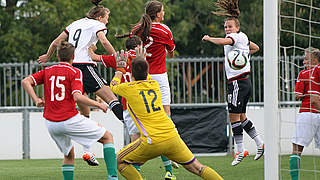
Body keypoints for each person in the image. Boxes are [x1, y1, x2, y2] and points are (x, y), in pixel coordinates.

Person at [109, 50, 224, 180]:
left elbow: (113, 86)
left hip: (151, 141)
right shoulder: (154, 85)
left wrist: (120, 69)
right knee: (198, 168)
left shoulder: (129, 88)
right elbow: (144, 74)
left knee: (119, 160)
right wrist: (143, 61)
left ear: (132, 74)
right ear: (147, 72)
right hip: (172, 136)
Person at [22, 40, 118, 180]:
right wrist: (99, 105)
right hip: (68, 119)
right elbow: (78, 97)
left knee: (69, 155)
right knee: (107, 137)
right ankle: (113, 178)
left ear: (58, 57)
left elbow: (26, 81)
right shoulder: (75, 72)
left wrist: (36, 100)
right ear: (74, 57)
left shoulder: (47, 71)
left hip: (51, 123)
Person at [89, 36, 179, 179]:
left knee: (135, 144)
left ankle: (135, 174)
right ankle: (169, 171)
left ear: (126, 47)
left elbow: (93, 57)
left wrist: (90, 45)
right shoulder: (143, 57)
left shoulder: (118, 57)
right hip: (144, 105)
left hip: (128, 107)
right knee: (157, 136)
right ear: (139, 46)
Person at [37, 1, 123, 122]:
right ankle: (129, 125)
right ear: (99, 18)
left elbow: (56, 42)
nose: (107, 22)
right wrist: (116, 57)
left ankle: (84, 135)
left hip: (71, 67)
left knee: (84, 111)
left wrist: (47, 55)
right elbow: (104, 41)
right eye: (106, 18)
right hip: (85, 66)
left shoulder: (75, 24)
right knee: (111, 98)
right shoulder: (98, 25)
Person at [201, 0, 264, 166]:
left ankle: (240, 150)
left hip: (236, 83)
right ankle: (260, 143)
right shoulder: (243, 37)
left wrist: (209, 38)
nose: (227, 30)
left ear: (237, 27)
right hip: (245, 81)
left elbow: (224, 42)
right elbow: (256, 48)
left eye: (230, 26)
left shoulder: (233, 38)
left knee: (233, 117)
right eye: (226, 27)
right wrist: (243, 54)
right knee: (241, 116)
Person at [116, 0, 175, 117]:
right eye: (162, 11)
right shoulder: (164, 30)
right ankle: (164, 134)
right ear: (158, 14)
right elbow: (170, 54)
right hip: (159, 75)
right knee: (165, 111)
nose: (164, 13)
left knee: (141, 111)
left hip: (140, 75)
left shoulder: (137, 29)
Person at [290, 47, 320, 180]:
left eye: (306, 58)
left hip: (308, 113)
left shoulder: (305, 74)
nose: (303, 61)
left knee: (296, 150)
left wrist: (302, 93)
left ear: (315, 59)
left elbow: (297, 95)